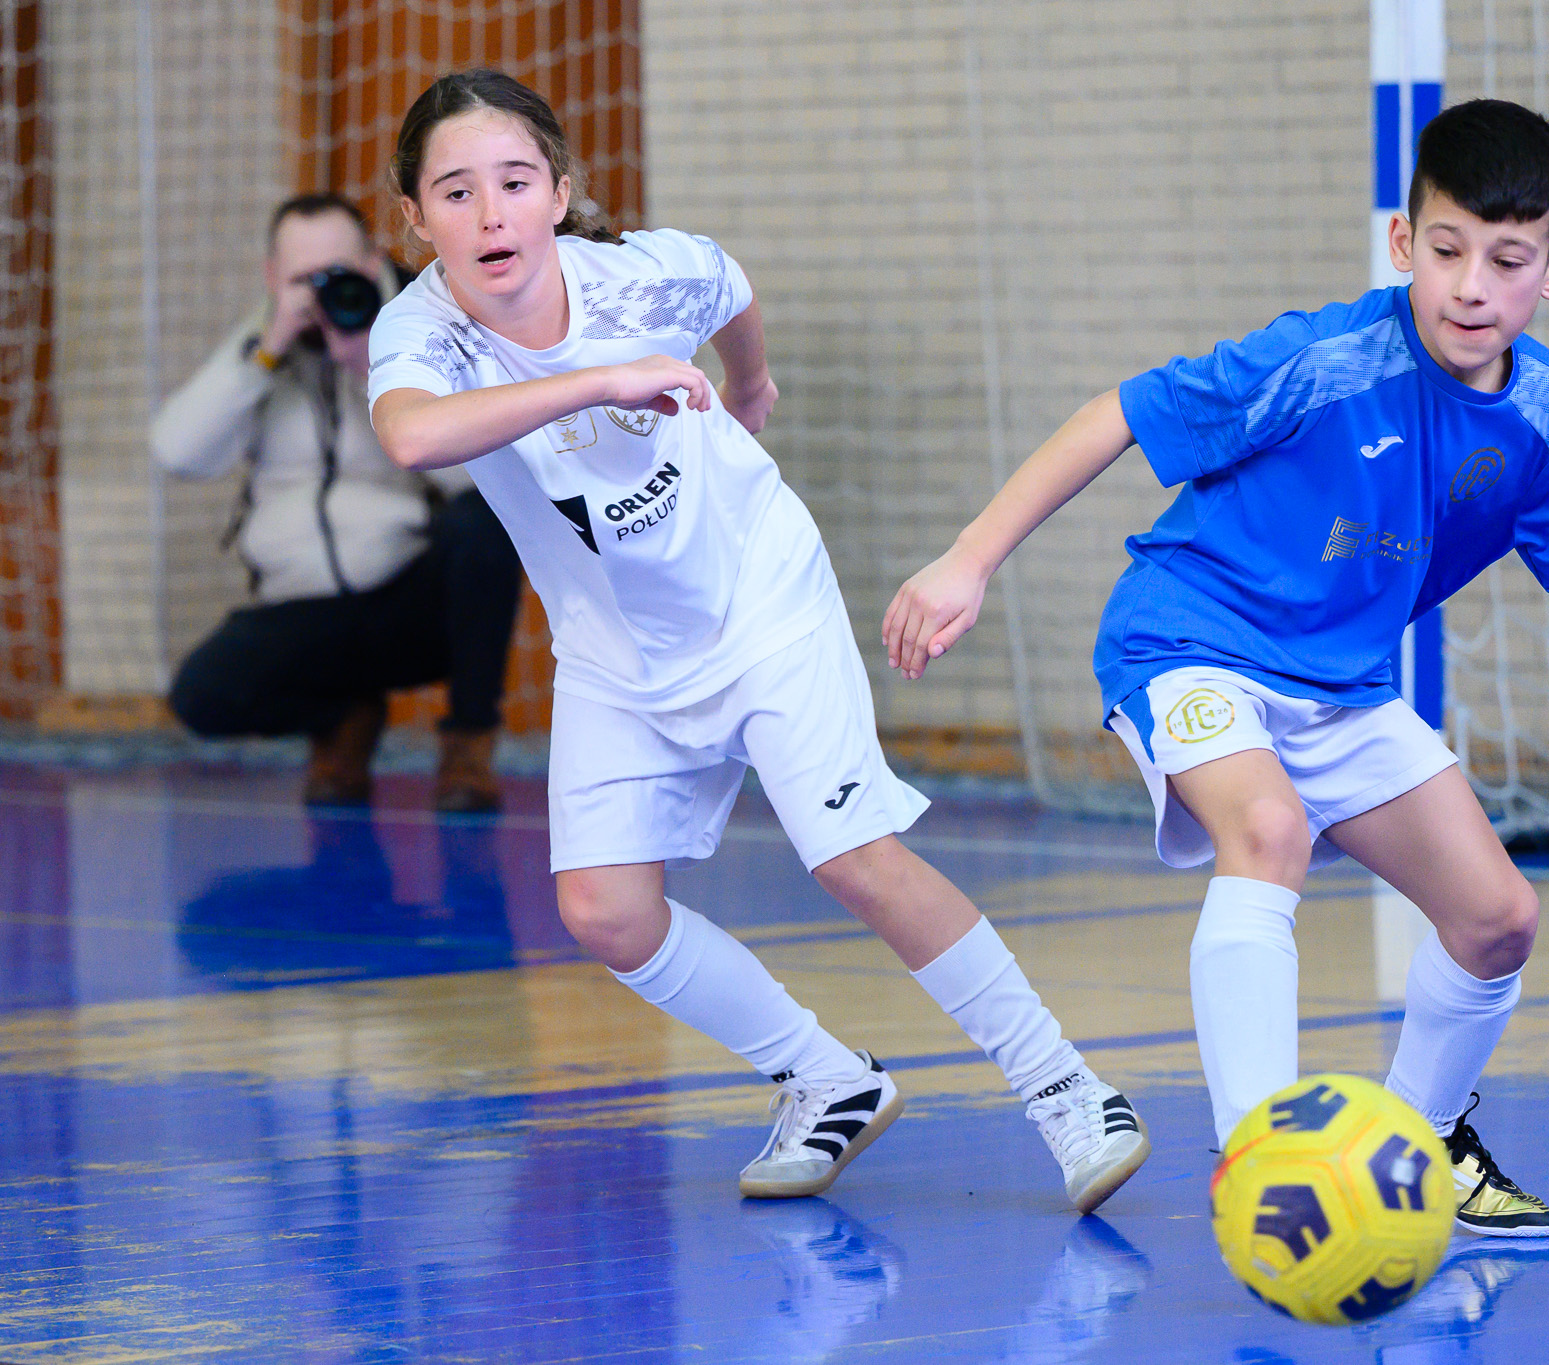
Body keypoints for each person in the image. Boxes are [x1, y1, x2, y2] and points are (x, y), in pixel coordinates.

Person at [885, 99, 1549, 1236]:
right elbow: (1120, 413)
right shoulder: (1324, 358)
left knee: (1498, 917)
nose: (1470, 287)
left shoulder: (1541, 412)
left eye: (1505, 262)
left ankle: (1418, 1144)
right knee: (1268, 833)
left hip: (1339, 687)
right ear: (1403, 243)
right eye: (1445, 250)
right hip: (1189, 639)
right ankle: (1265, 1163)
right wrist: (968, 559)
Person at [364, 70, 1151, 1210]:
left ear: (560, 193)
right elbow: (411, 437)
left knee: (850, 854)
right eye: (456, 192)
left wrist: (752, 380)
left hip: (760, 595)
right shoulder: (419, 331)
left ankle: (1068, 1090)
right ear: (415, 218)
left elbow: (730, 283)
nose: (491, 213)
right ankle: (824, 1077)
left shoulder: (644, 275)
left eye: (516, 182)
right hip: (616, 650)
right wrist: (599, 383)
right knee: (604, 912)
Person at [152, 193, 524, 812]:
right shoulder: (261, 342)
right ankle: (343, 719)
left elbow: (487, 482)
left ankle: (468, 746)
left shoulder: (419, 332)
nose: (322, 294)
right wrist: (266, 351)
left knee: (482, 524)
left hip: (407, 603)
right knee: (200, 696)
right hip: (303, 612)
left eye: (338, 275)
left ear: (372, 263)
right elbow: (177, 453)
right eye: (303, 279)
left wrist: (373, 371)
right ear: (273, 278)